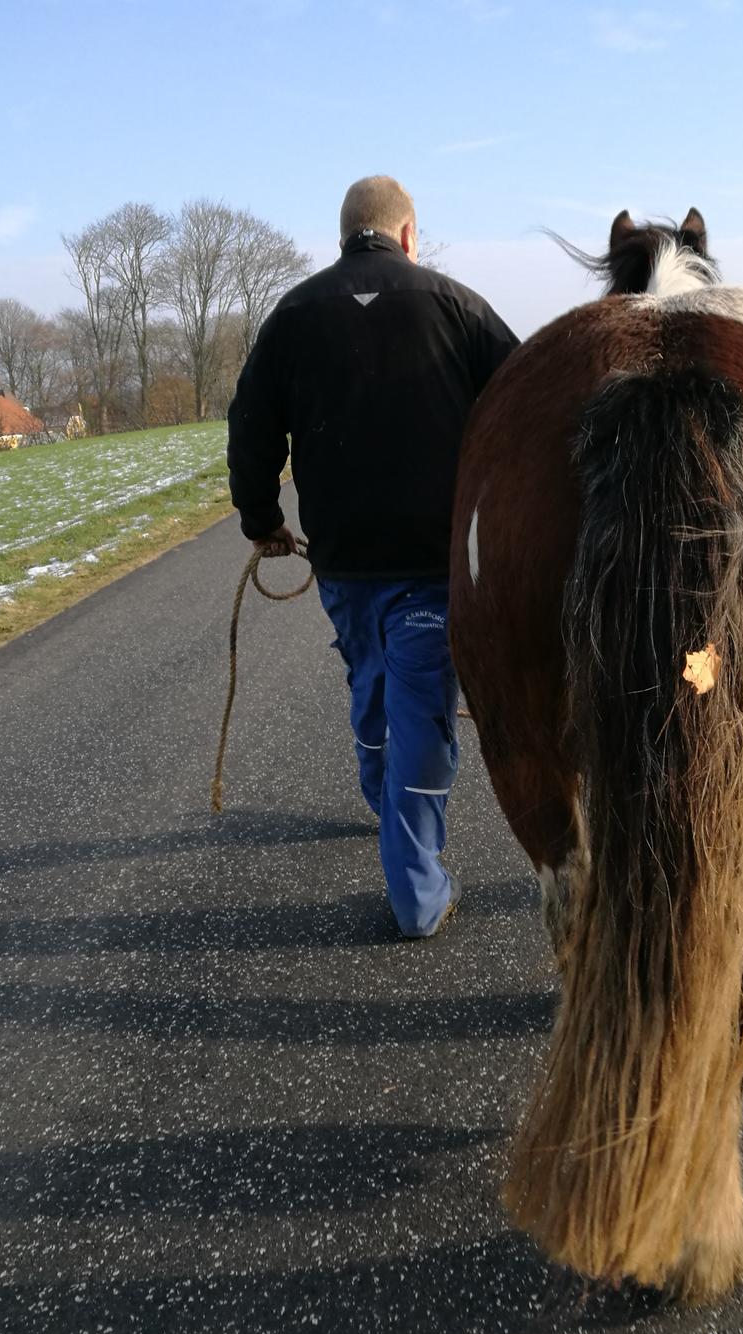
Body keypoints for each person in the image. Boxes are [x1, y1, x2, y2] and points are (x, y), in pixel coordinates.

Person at [227, 175, 518, 938]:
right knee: (421, 705)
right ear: (409, 234)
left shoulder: (293, 313)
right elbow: (523, 399)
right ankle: (417, 895)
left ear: (343, 236)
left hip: (344, 562)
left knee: (370, 679)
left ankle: (380, 800)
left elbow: (251, 424)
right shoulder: (458, 306)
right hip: (431, 561)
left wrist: (262, 518)